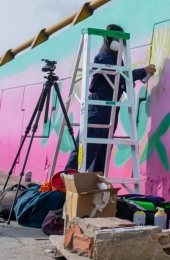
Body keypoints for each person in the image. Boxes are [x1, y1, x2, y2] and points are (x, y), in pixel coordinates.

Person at [65, 24, 156, 173]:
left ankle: (94, 183)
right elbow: (116, 75)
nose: (120, 43)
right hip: (99, 105)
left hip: (110, 108)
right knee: (87, 147)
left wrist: (125, 83)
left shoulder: (116, 58)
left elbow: (117, 80)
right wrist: (141, 72)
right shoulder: (104, 57)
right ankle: (67, 182)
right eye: (118, 39)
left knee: (102, 150)